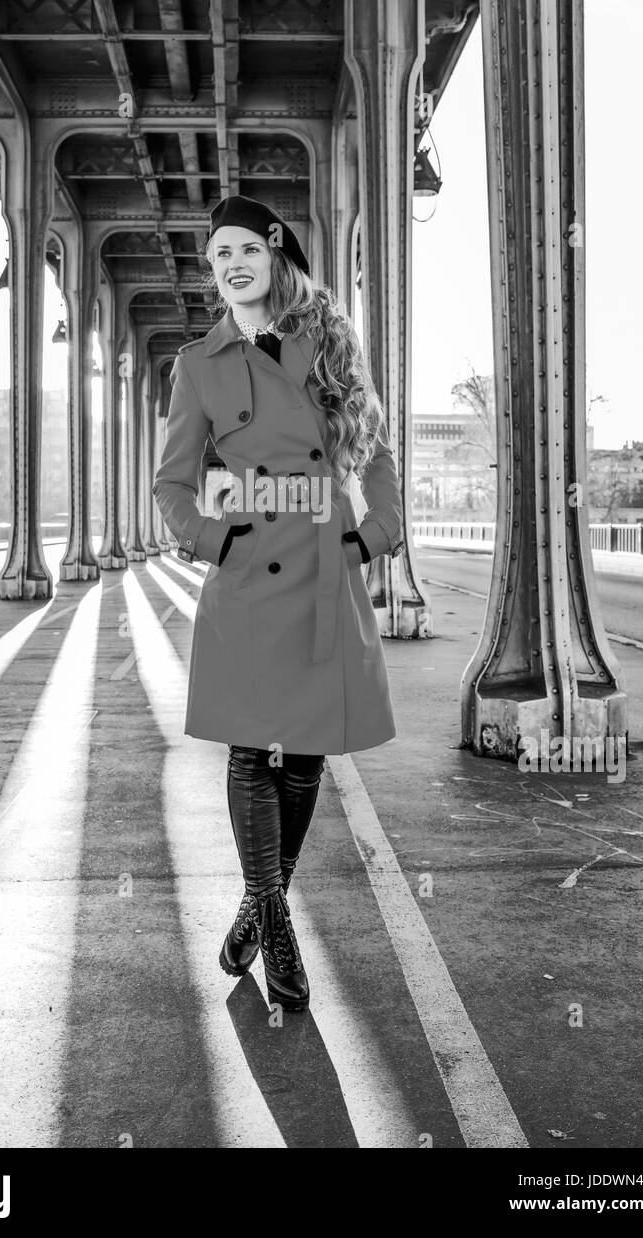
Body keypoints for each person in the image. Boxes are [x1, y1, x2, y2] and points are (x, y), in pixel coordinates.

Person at [153, 195, 404, 1012]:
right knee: (245, 751)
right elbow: (171, 483)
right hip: (249, 574)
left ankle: (259, 909)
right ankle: (277, 921)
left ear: (275, 253)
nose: (229, 264)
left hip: (324, 571)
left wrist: (371, 539)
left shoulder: (329, 341)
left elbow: (375, 458)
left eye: (244, 249)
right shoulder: (199, 363)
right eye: (216, 254)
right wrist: (214, 540)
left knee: (303, 757)